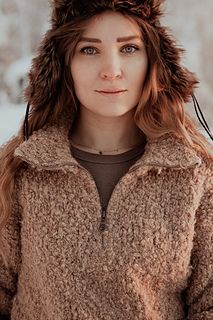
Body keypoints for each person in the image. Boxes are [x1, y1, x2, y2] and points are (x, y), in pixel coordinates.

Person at [0, 0, 212, 319]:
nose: (111, 70)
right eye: (89, 49)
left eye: (128, 49)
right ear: (63, 63)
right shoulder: (22, 170)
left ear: (154, 60)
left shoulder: (195, 173)